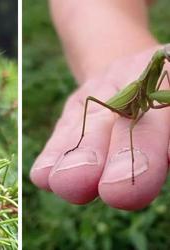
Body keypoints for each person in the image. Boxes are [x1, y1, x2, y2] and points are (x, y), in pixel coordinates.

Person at [30, 0, 170, 210]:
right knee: (97, 105)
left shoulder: (161, 70)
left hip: (139, 91)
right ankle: (84, 144)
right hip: (121, 105)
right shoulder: (149, 75)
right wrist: (109, 59)